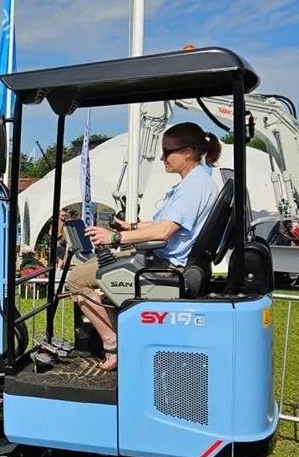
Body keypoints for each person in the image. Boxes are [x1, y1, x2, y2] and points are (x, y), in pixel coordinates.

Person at [65, 122, 222, 371]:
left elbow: (163, 232)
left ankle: (112, 344)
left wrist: (113, 239)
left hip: (164, 264)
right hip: (162, 257)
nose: (163, 157)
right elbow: (166, 224)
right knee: (96, 282)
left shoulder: (194, 187)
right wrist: (132, 227)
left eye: (168, 151)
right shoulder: (198, 183)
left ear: (189, 152)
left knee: (76, 280)